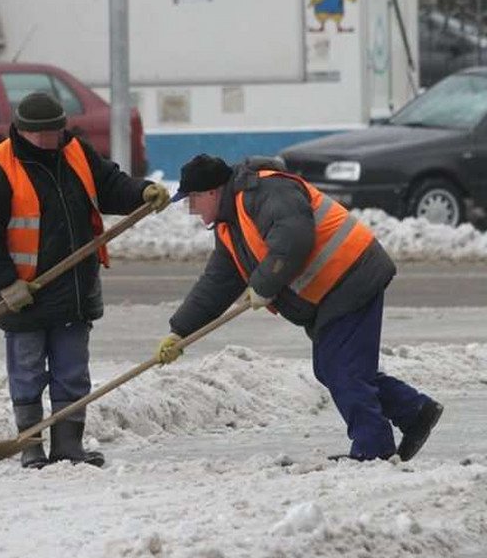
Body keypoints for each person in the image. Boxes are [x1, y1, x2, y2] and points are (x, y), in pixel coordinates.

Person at [156, 154, 443, 462]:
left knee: (343, 370)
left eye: (192, 200)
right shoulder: (231, 225)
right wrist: (180, 331)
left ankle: (373, 449)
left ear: (211, 192)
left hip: (352, 274)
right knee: (334, 368)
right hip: (335, 289)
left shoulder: (264, 192)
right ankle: (414, 411)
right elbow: (216, 284)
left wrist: (265, 284)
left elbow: (294, 238)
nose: (190, 209)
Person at [0, 92, 169, 468]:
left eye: (53, 132)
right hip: (25, 294)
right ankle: (30, 447)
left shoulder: (76, 153)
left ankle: (68, 446)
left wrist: (141, 192)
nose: (47, 141)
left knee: (72, 371)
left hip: (75, 288)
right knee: (27, 372)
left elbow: (110, 185)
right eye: (38, 134)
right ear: (20, 131)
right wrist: (6, 284)